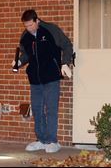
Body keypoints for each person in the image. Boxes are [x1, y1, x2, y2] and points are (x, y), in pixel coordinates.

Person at [12, 9, 73, 153]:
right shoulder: (25, 36)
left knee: (51, 110)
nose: (28, 29)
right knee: (38, 110)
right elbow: (26, 55)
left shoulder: (51, 30)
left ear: (37, 20)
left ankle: (52, 141)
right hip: (35, 80)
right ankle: (41, 140)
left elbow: (67, 45)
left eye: (30, 25)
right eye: (25, 26)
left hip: (51, 77)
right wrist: (19, 61)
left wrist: (65, 63)